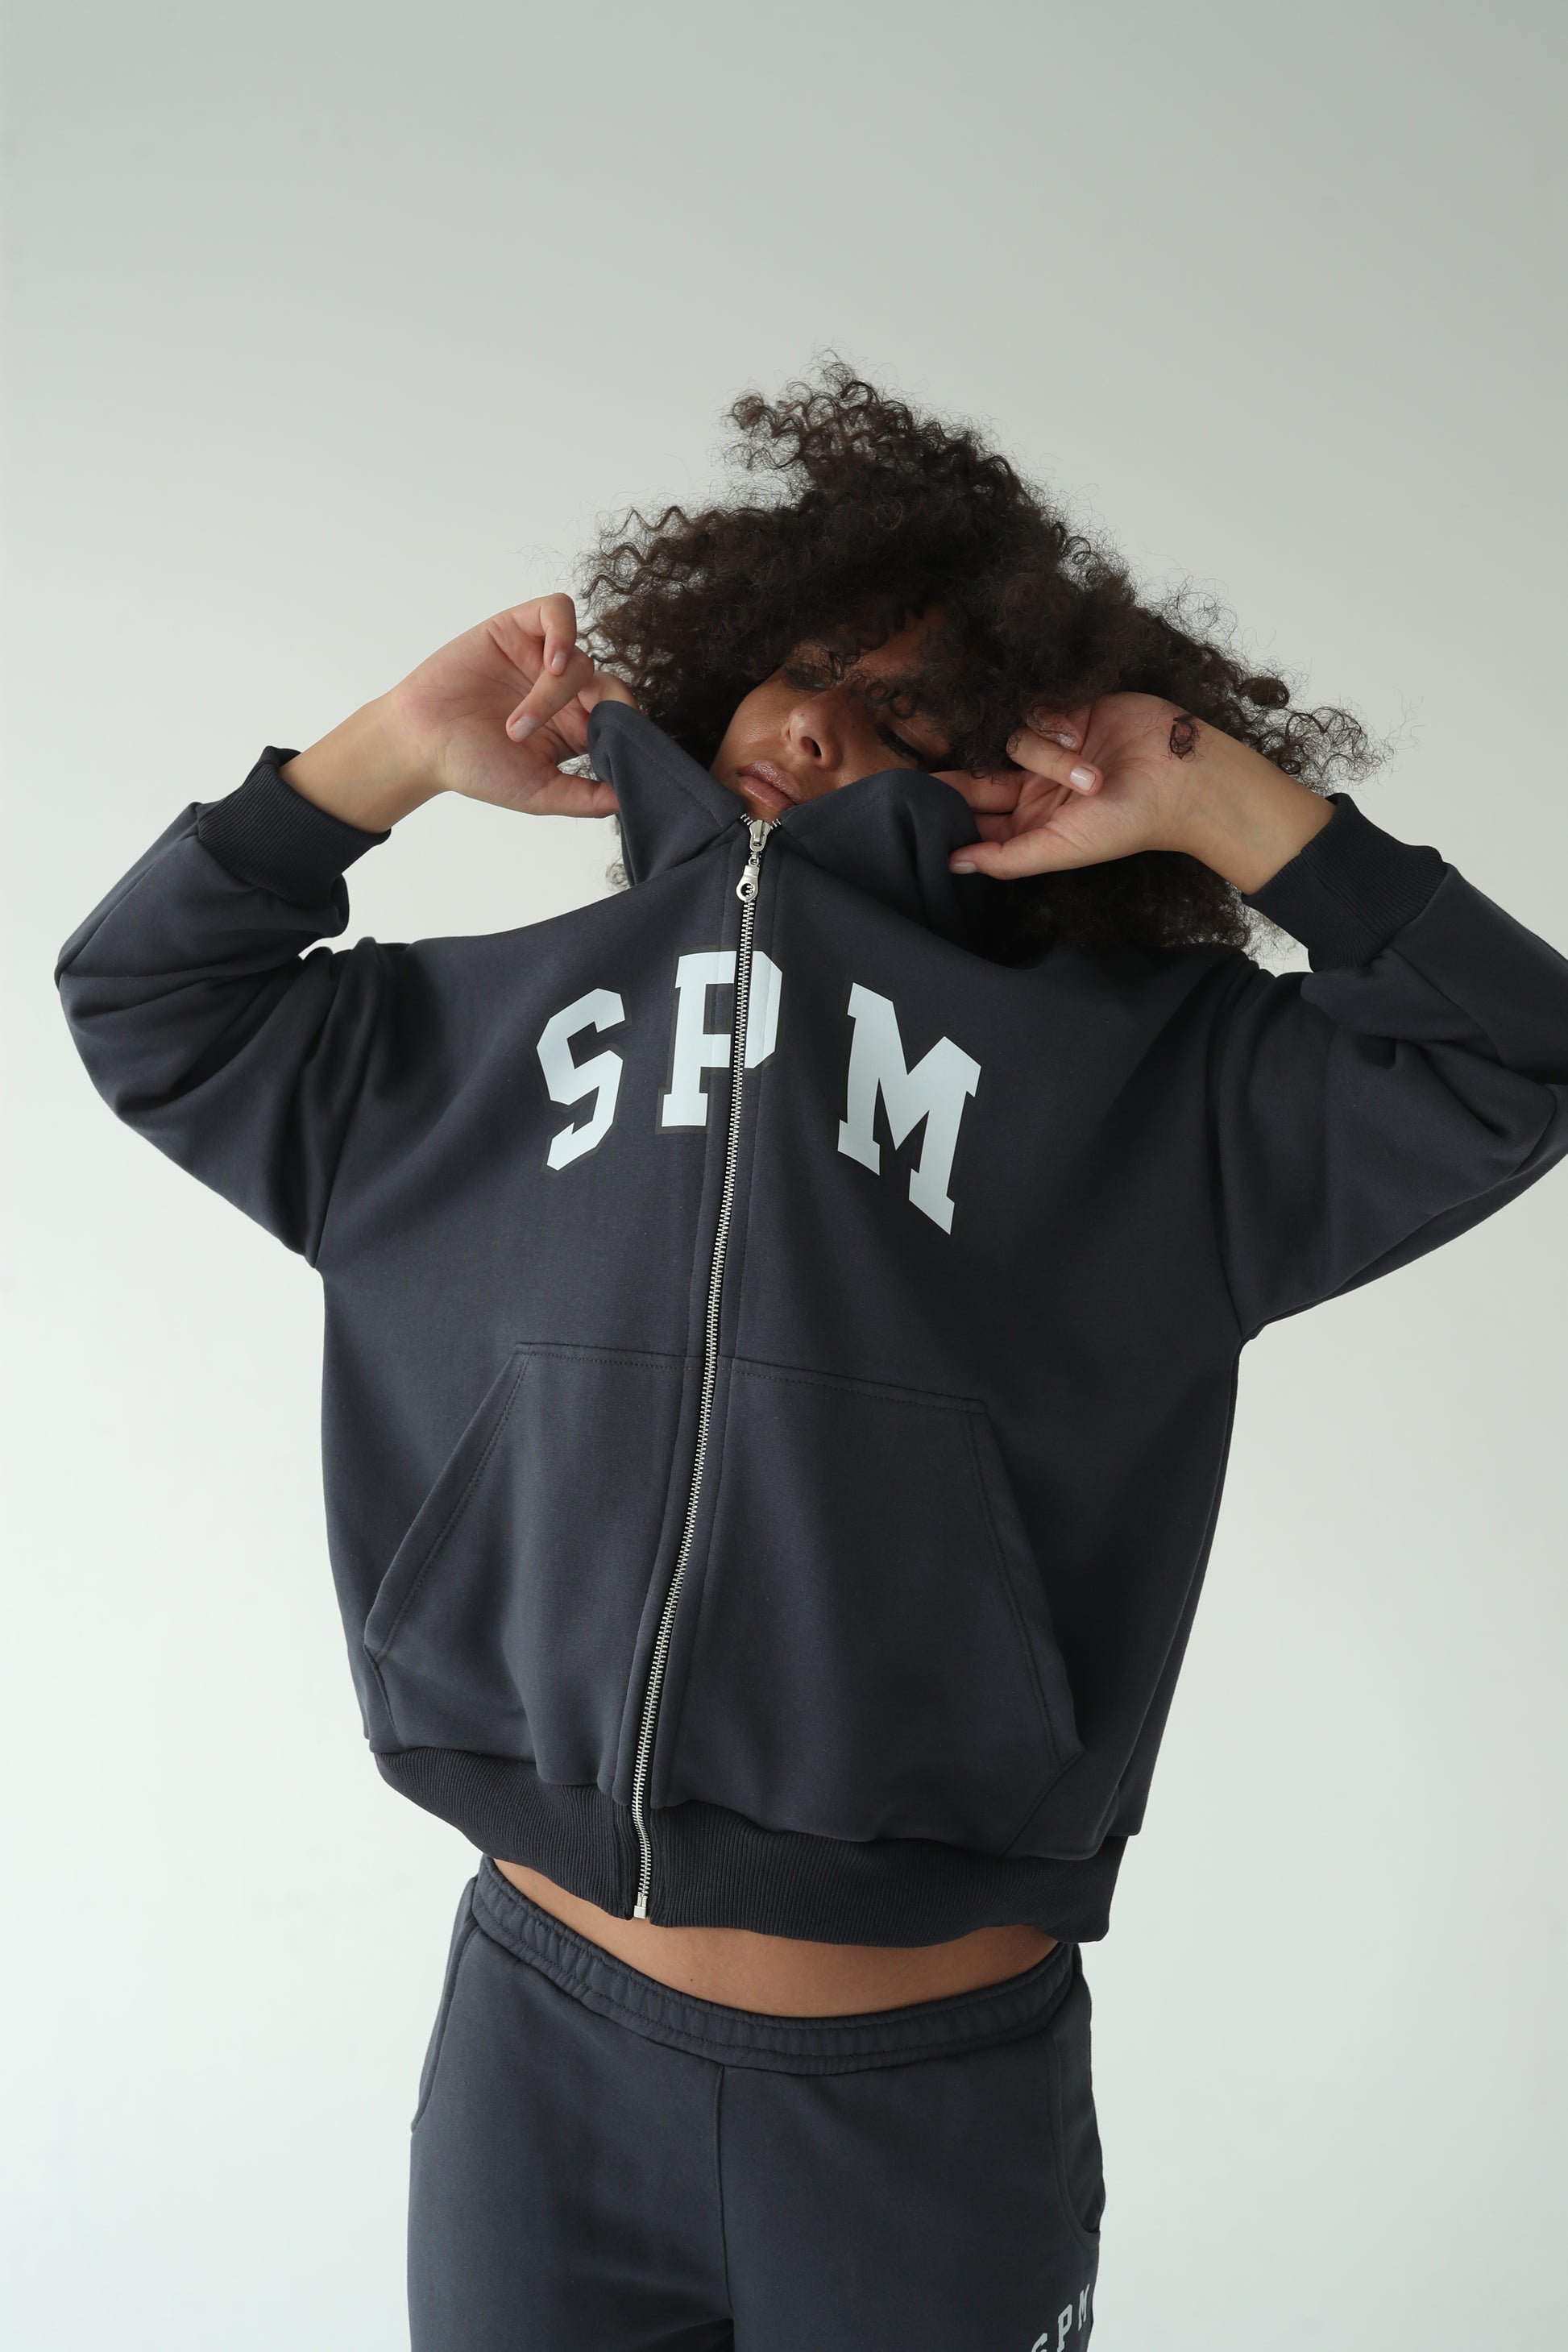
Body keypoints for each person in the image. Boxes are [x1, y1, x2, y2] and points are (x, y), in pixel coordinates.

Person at [56, 366, 1568, 2350]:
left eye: (919, 723)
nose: (822, 726)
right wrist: (388, 755)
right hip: (539, 2043)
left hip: (921, 2097)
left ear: (1021, 783)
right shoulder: (471, 1037)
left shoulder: (1160, 1090)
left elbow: (1512, 1058)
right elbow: (146, 993)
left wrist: (1216, 791)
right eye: (804, 673)